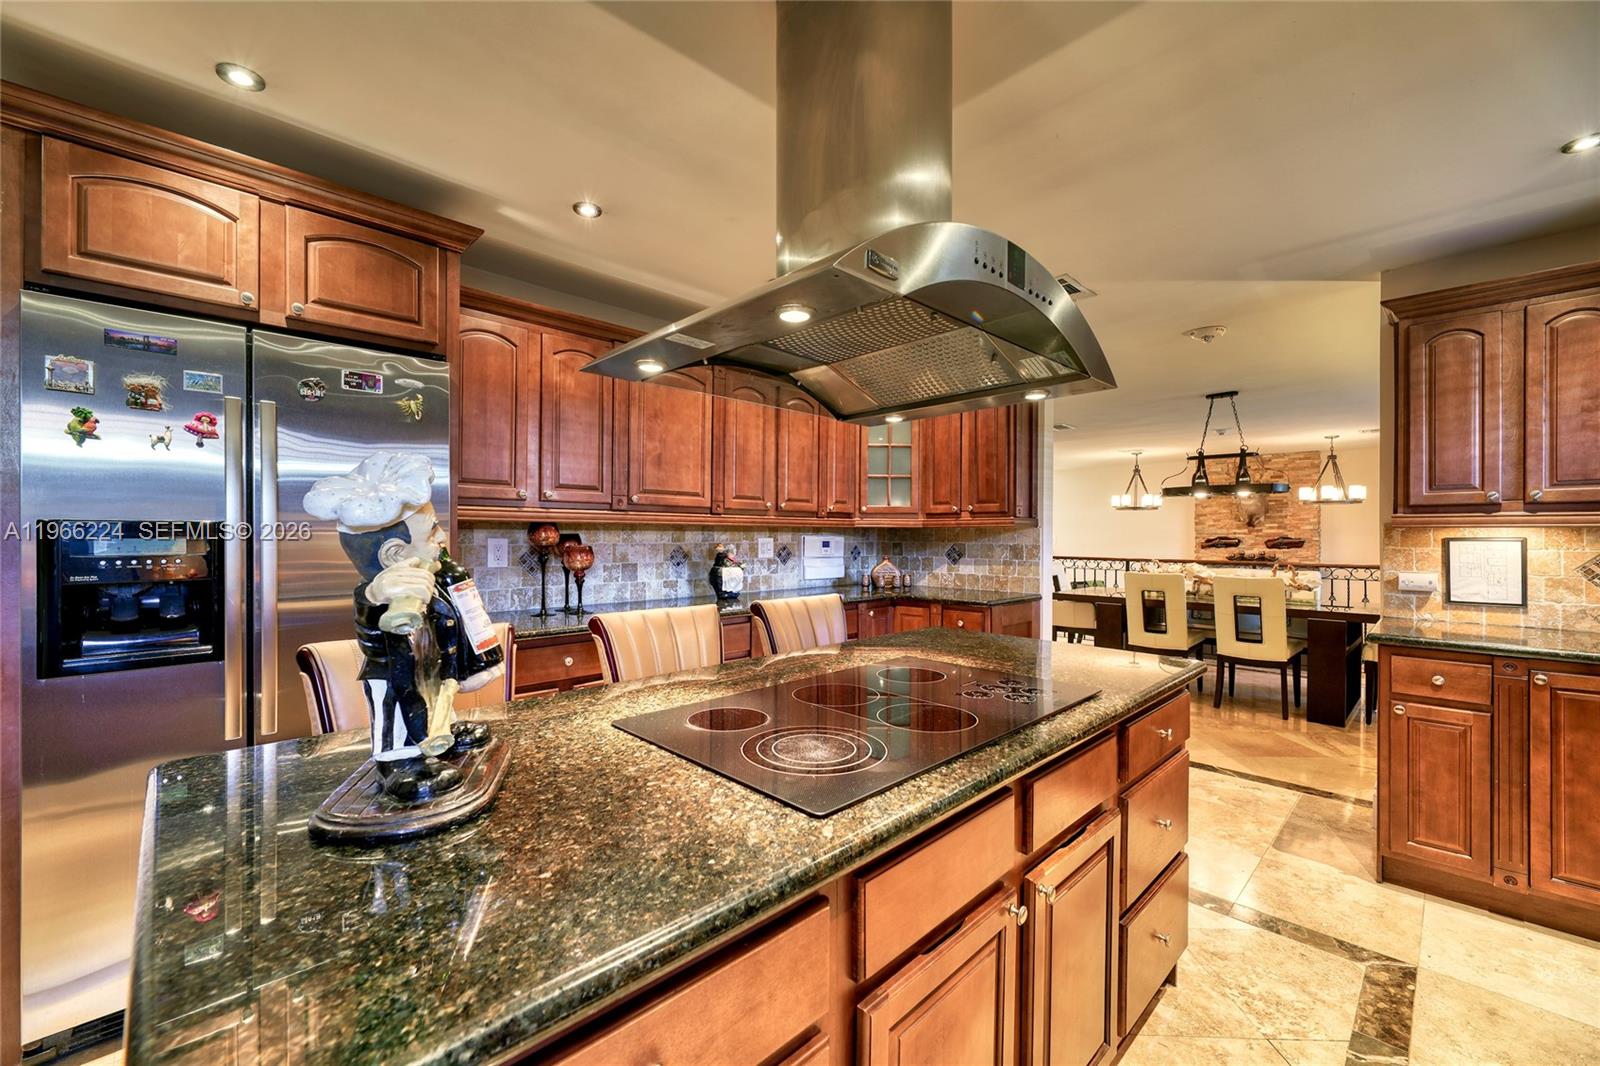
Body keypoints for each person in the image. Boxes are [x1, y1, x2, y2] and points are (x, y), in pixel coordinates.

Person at [304, 452, 501, 802]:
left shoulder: (433, 576)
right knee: (395, 709)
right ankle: (397, 763)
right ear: (395, 555)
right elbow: (371, 614)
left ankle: (441, 736)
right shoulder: (381, 594)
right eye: (433, 531)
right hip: (394, 675)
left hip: (431, 667)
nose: (442, 538)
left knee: (432, 700)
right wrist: (379, 592)